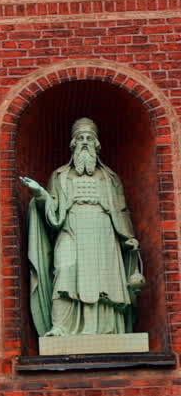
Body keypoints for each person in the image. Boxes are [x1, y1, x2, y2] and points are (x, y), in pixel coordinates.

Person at [21, 118, 144, 337]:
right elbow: (53, 209)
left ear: (97, 145)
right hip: (71, 227)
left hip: (103, 229)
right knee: (64, 270)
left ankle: (109, 329)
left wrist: (128, 236)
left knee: (104, 278)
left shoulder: (109, 177)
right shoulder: (60, 176)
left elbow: (121, 209)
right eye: (80, 139)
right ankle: (61, 327)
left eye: (89, 138)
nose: (84, 142)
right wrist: (40, 193)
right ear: (73, 144)